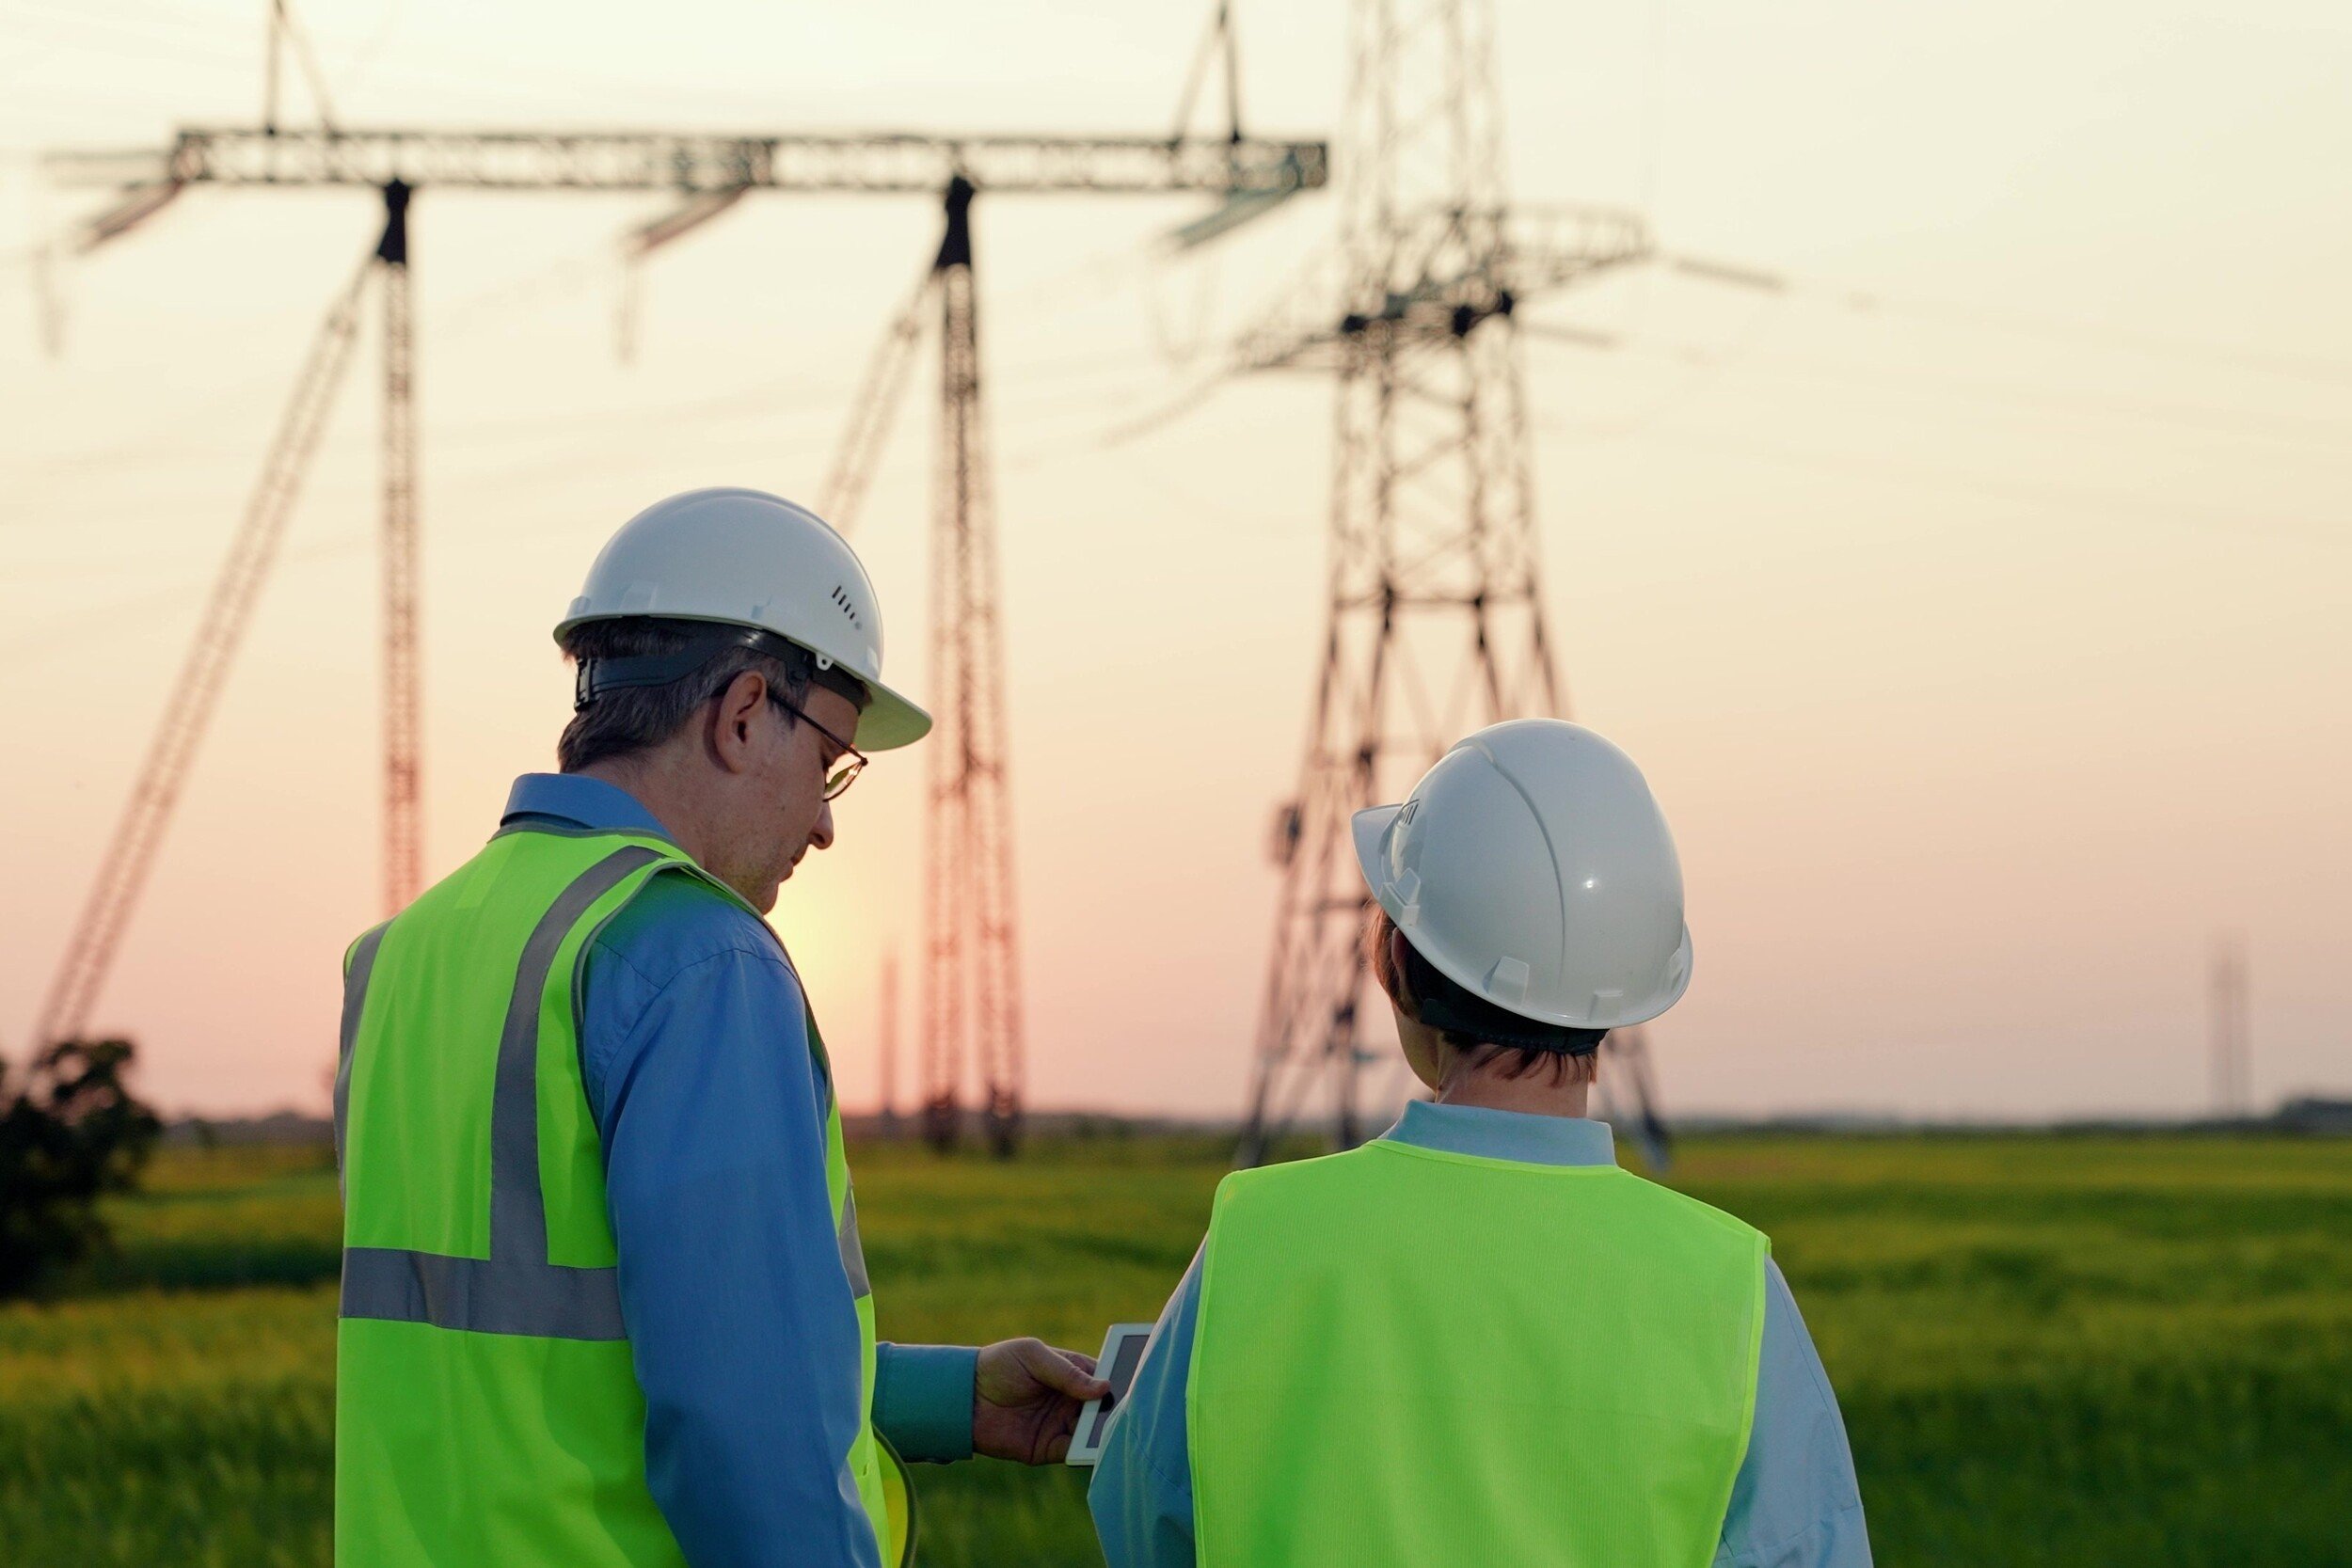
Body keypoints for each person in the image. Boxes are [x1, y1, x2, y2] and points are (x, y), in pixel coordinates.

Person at [333, 487, 1106, 1568]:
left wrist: (945, 1396)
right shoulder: (700, 960)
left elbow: (553, 1350)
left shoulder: (408, 951)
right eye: (832, 760)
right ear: (744, 712)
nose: (827, 820)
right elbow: (740, 1425)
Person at [1090, 719, 1870, 1568]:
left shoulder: (1257, 1235)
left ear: (1397, 965)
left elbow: (1144, 1515)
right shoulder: (1731, 1286)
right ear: (1629, 988)